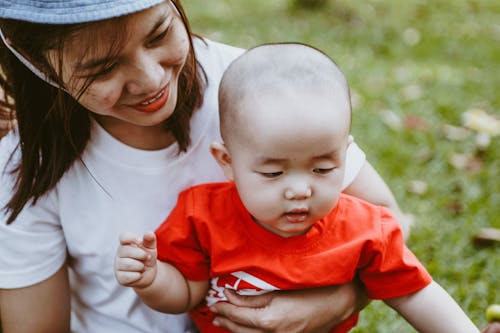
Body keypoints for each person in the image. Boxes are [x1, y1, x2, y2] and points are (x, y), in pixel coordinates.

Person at [0, 1, 411, 332]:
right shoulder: (26, 160)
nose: (150, 79)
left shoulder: (257, 91)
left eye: (159, 34)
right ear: (39, 65)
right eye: (102, 68)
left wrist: (336, 301)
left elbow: (389, 223)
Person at [114, 43, 479, 333]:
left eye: (322, 168)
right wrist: (152, 278)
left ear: (346, 155)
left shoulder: (365, 232)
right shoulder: (202, 216)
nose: (300, 190)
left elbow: (417, 295)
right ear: (227, 162)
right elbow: (187, 294)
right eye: (273, 173)